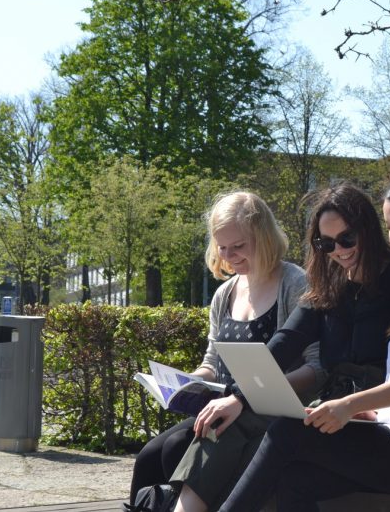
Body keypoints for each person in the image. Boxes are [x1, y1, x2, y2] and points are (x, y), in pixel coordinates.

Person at [215, 171, 390, 512]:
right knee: (295, 478)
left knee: (288, 431)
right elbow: (291, 338)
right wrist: (372, 412)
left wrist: (349, 404)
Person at [168, 183, 390, 512]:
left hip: (379, 416)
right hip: (333, 412)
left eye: (346, 239)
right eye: (325, 243)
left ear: (367, 228)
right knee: (277, 468)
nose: (338, 251)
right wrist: (240, 396)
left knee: (281, 438)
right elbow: (285, 340)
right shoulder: (330, 281)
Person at [127, 191, 320, 509]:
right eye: (222, 247)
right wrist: (189, 382)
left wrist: (255, 393)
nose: (228, 256)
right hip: (223, 406)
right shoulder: (225, 293)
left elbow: (316, 367)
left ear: (264, 237)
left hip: (266, 412)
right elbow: (212, 362)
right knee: (149, 456)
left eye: (238, 246)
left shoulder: (295, 284)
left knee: (176, 446)